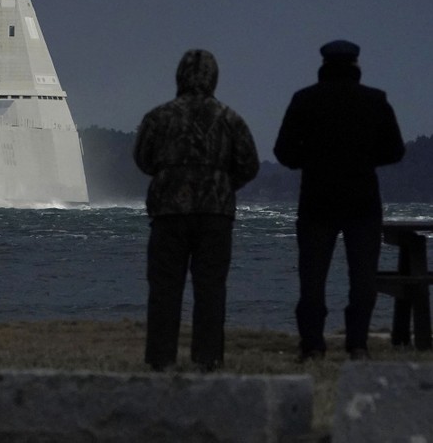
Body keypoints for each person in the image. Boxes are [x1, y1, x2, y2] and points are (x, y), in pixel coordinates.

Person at [274, 40, 404, 361]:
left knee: (312, 278)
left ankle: (313, 345)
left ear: (324, 64)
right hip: (362, 201)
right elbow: (395, 150)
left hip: (317, 201)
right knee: (363, 279)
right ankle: (358, 343)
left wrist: (311, 160)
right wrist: (364, 159)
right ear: (355, 64)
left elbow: (283, 151)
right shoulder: (375, 100)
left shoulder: (304, 100)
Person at [134, 49, 259, 372]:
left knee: (164, 287)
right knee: (211, 288)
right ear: (214, 79)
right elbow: (249, 164)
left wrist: (168, 176)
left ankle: (161, 357)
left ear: (179, 76)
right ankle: (208, 356)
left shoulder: (159, 117)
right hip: (215, 214)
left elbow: (143, 159)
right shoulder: (230, 119)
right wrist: (224, 183)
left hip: (168, 214)